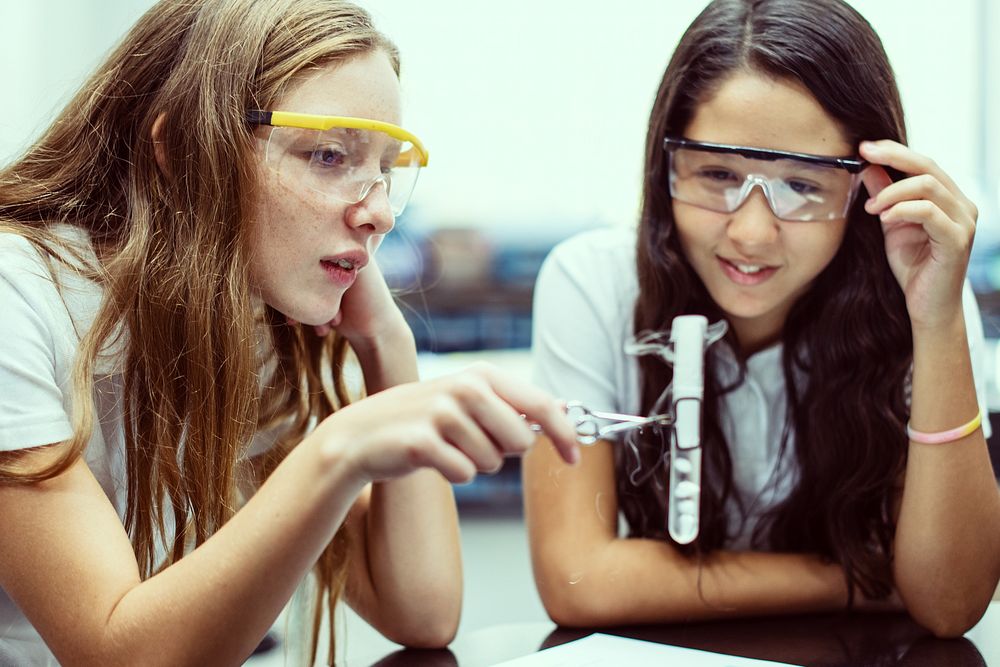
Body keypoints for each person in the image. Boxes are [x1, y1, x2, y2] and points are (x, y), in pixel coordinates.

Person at [0, 1, 580, 664]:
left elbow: (422, 609)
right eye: (330, 155)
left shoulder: (246, 314)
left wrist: (389, 345)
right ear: (181, 153)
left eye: (386, 168)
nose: (381, 213)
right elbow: (117, 654)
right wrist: (338, 448)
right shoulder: (14, 295)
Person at [524, 0, 1000, 639]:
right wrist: (867, 578)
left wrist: (937, 321)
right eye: (718, 174)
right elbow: (578, 579)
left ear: (869, 185)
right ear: (665, 165)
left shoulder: (922, 293)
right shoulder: (594, 281)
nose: (750, 233)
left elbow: (949, 603)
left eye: (802, 186)